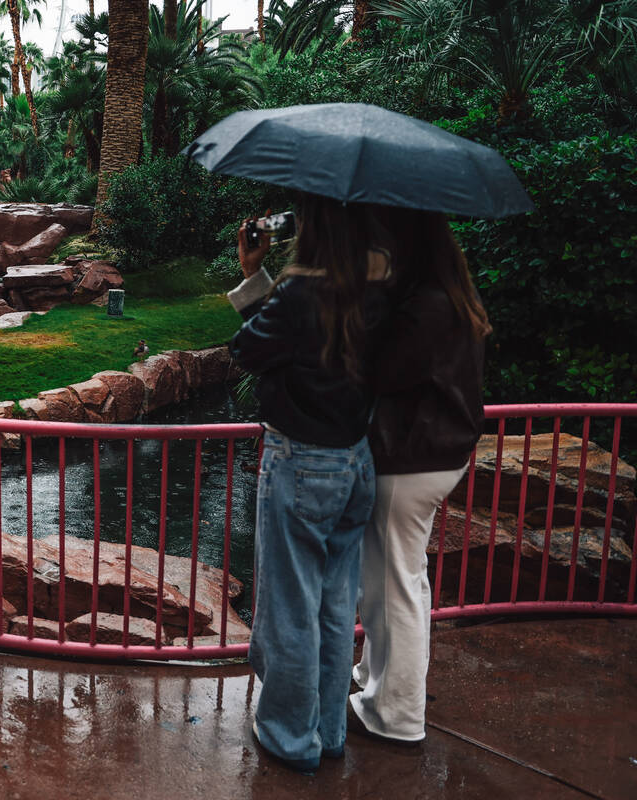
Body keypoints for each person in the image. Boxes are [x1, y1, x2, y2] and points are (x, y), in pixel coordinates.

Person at [229, 193, 391, 773]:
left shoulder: (303, 292)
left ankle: (288, 737)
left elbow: (248, 348)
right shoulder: (380, 286)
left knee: (290, 607)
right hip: (356, 462)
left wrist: (254, 277)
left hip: (302, 462)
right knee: (333, 604)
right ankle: (326, 733)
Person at [349, 208, 489, 744]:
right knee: (403, 579)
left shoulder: (424, 307)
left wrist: (368, 300)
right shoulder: (453, 298)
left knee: (395, 586)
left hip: (409, 458)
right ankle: (374, 677)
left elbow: (379, 371)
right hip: (438, 455)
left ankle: (397, 715)